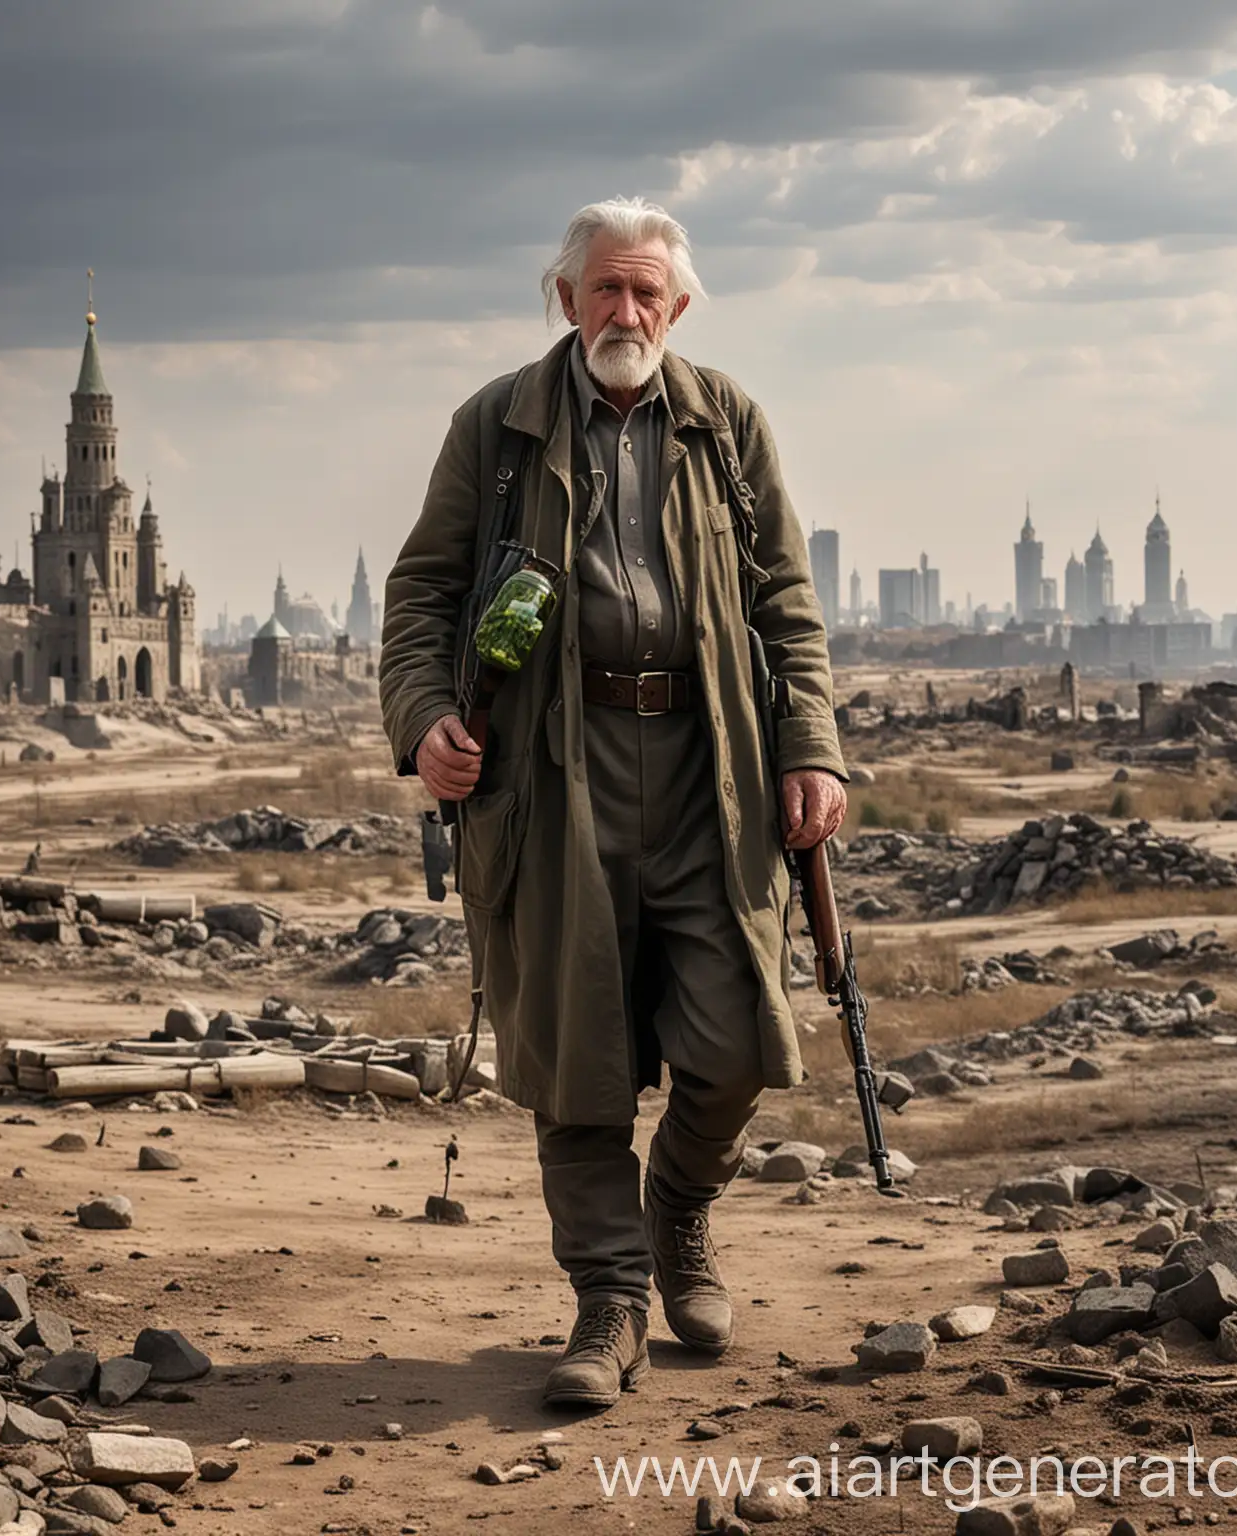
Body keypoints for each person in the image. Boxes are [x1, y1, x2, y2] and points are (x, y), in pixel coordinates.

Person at [379, 197, 846, 1408]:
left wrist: (816, 749)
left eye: (647, 294)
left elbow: (786, 599)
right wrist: (426, 721)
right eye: (605, 291)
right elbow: (420, 595)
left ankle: (678, 1215)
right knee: (575, 1051)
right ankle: (609, 1300)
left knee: (738, 1033)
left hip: (710, 774)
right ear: (567, 298)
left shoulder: (725, 422)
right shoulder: (496, 429)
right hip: (550, 775)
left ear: (677, 308)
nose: (625, 312)